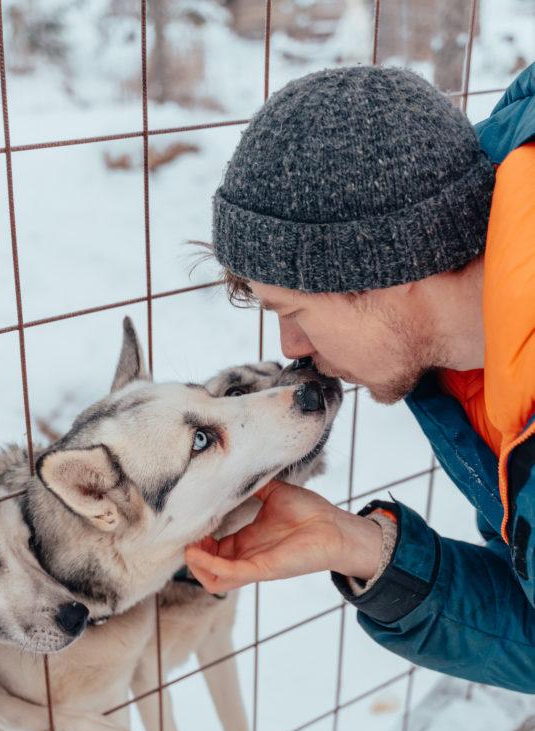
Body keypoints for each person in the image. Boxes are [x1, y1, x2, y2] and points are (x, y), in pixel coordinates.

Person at [185, 63, 535, 691]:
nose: (292, 348)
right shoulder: (469, 379)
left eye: (294, 311)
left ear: (394, 263)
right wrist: (365, 550)